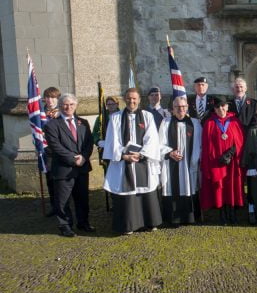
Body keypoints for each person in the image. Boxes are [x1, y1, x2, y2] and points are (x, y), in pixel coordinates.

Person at [103, 88, 163, 235]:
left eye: (134, 98)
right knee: (127, 192)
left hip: (143, 161)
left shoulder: (147, 116)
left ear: (139, 99)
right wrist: (123, 156)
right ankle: (129, 225)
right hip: (124, 161)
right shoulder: (116, 117)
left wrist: (142, 154)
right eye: (129, 98)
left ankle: (150, 222)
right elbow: (112, 140)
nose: (132, 101)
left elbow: (152, 138)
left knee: (146, 191)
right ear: (125, 99)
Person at [43, 94, 94, 237]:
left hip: (82, 167)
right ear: (60, 106)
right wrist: (73, 159)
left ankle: (83, 222)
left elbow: (89, 143)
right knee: (63, 200)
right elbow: (55, 146)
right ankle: (65, 226)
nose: (68, 107)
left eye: (71, 104)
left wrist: (83, 157)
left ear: (76, 105)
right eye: (65, 104)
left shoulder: (83, 123)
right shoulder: (51, 125)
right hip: (63, 169)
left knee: (83, 198)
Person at [200, 98, 245, 224]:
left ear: (227, 107)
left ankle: (232, 214)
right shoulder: (209, 123)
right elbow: (206, 145)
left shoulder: (234, 121)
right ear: (214, 109)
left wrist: (231, 153)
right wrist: (216, 158)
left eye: (223, 106)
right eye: (218, 107)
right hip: (217, 162)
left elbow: (240, 141)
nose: (221, 109)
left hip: (232, 162)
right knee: (220, 188)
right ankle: (222, 215)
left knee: (231, 187)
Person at [158, 96, 202, 225]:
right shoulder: (165, 123)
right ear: (173, 109)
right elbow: (159, 143)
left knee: (190, 187)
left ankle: (190, 217)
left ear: (187, 107)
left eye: (183, 106)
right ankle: (173, 218)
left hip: (189, 164)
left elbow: (200, 144)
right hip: (171, 163)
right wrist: (169, 152)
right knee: (172, 187)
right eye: (177, 107)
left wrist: (194, 159)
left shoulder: (195, 123)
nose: (180, 109)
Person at [42, 86, 61, 217]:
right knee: (50, 179)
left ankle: (63, 206)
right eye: (48, 97)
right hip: (47, 150)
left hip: (61, 150)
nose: (50, 100)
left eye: (53, 97)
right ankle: (54, 206)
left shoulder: (63, 112)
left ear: (58, 99)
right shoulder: (40, 114)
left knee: (62, 180)